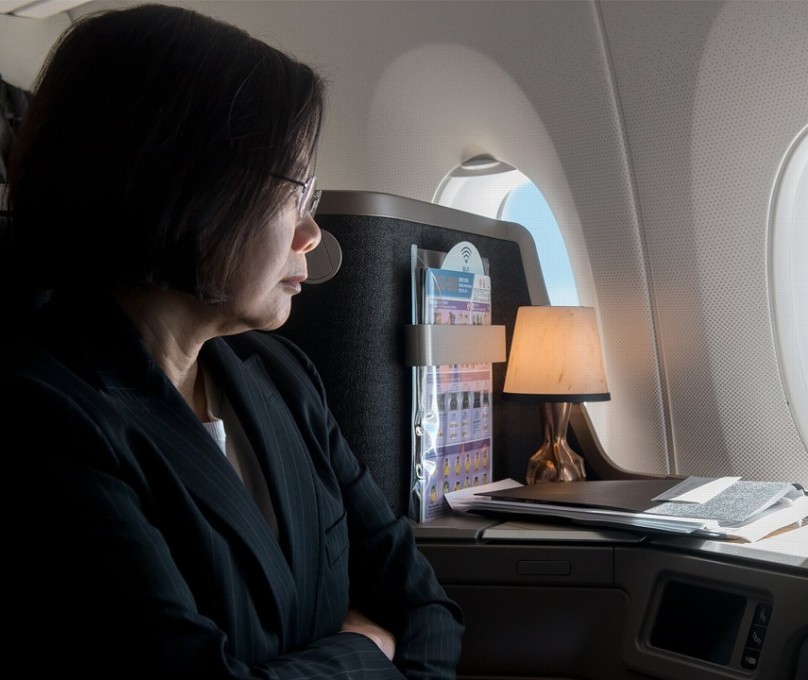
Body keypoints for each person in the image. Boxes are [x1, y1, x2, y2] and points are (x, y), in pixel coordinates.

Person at [1, 4, 463, 678]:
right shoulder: (42, 415)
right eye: (294, 189)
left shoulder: (279, 376)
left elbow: (425, 606)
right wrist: (365, 652)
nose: (313, 234)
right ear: (179, 188)